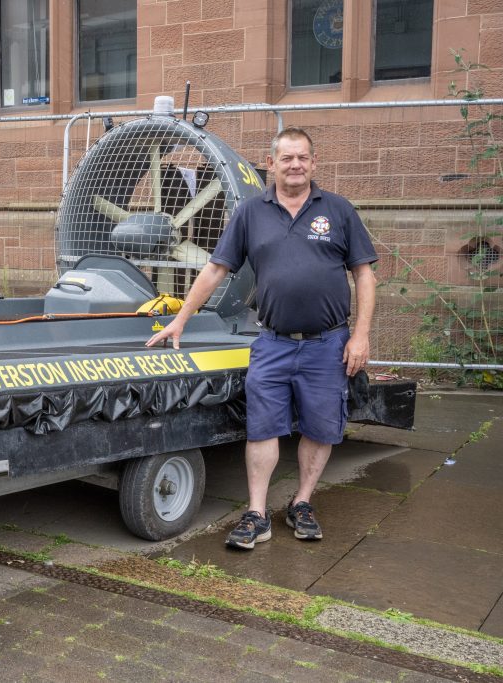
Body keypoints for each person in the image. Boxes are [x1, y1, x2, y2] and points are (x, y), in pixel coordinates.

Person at [146, 127, 377, 551]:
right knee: (262, 428)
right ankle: (256, 513)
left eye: (303, 157)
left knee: (321, 428)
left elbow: (364, 274)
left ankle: (301, 503)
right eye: (287, 158)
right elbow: (215, 269)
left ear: (314, 162)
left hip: (328, 344)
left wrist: (360, 336)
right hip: (272, 343)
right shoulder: (251, 213)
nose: (295, 165)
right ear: (271, 164)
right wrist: (180, 320)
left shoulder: (339, 210)